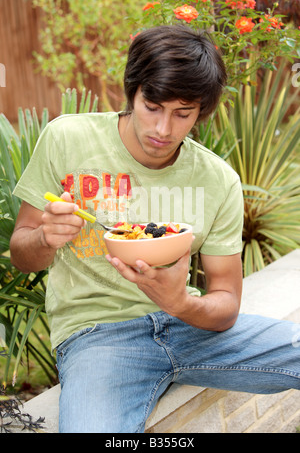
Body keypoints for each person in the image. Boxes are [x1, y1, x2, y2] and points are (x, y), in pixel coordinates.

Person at [10, 25, 300, 433]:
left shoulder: (218, 180)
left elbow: (225, 304)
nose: (163, 130)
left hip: (191, 329)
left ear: (202, 112)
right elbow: (22, 255)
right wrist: (43, 237)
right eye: (152, 105)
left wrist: (180, 303)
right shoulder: (67, 138)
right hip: (98, 338)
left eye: (183, 114)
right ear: (132, 91)